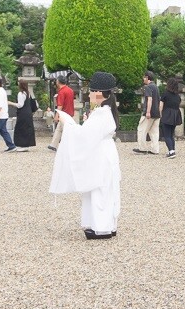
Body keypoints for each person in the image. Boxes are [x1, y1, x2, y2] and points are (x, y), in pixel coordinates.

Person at [49, 71, 121, 240]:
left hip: (101, 154)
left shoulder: (101, 113)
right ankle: (105, 225)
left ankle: (101, 227)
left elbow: (82, 135)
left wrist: (67, 122)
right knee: (104, 188)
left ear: (99, 93)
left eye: (91, 91)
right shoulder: (105, 111)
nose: (89, 94)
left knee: (99, 188)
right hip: (105, 151)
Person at [134, 71, 161, 155]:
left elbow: (149, 99)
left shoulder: (148, 87)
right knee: (154, 132)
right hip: (157, 113)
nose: (143, 79)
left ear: (147, 77)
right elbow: (159, 100)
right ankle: (155, 149)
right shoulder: (156, 87)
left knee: (141, 130)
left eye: (144, 77)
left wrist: (148, 112)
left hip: (149, 113)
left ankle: (142, 148)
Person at [48, 77, 76, 152]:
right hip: (70, 112)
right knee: (59, 129)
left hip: (63, 113)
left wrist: (56, 115)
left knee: (65, 131)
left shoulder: (61, 92)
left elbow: (60, 105)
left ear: (58, 82)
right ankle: (53, 144)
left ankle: (69, 146)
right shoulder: (70, 90)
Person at [8, 79, 37, 152]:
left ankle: (22, 145)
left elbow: (20, 105)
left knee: (20, 128)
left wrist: (10, 103)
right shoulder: (28, 93)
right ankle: (27, 144)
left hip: (23, 113)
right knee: (27, 128)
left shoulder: (20, 93)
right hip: (28, 113)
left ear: (20, 85)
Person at [160, 77, 182, 159]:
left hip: (167, 114)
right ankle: (172, 150)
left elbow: (161, 105)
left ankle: (171, 152)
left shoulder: (165, 94)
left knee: (167, 135)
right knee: (171, 134)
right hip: (175, 115)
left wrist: (160, 114)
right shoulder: (178, 96)